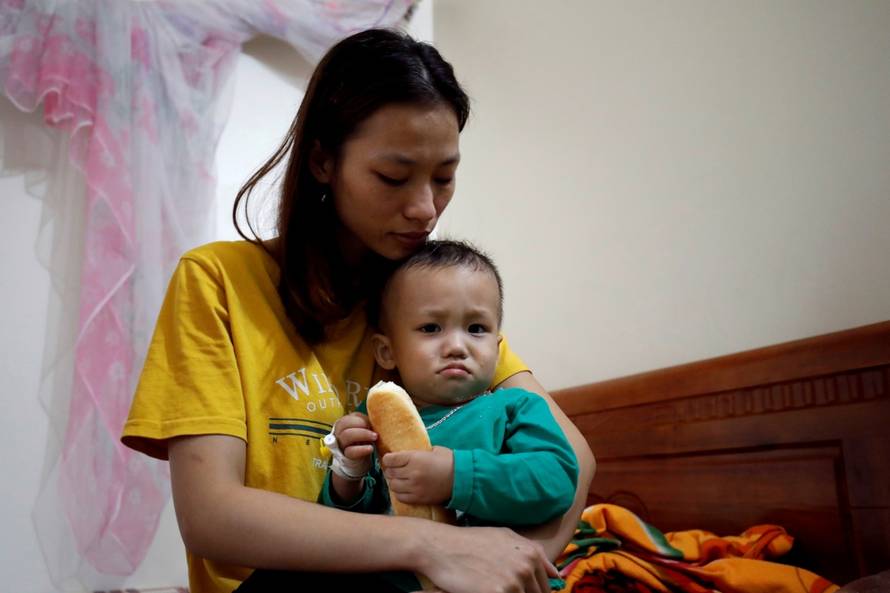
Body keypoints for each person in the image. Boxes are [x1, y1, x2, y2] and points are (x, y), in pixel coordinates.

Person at [121, 27, 595, 593]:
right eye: (393, 177)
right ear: (323, 161)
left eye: (445, 177)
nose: (426, 209)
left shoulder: (430, 311)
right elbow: (211, 517)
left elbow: (574, 460)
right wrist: (439, 547)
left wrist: (506, 568)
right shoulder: (217, 282)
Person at [319, 239, 578, 592]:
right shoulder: (374, 420)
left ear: (497, 347)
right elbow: (342, 528)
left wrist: (456, 476)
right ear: (387, 351)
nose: (457, 345)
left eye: (476, 329)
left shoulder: (514, 406)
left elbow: (557, 480)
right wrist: (348, 473)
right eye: (430, 328)